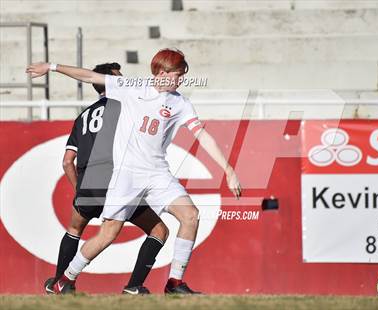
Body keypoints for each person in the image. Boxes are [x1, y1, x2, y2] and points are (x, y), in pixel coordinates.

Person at [26, 49, 242, 294]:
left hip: (158, 173)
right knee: (109, 233)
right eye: (179, 75)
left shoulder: (180, 102)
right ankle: (66, 279)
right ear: (163, 73)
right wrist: (52, 67)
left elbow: (202, 135)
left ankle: (174, 283)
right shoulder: (131, 87)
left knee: (190, 215)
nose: (181, 79)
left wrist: (229, 170)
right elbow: (89, 76)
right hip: (127, 174)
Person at [44, 62, 168, 295]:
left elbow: (67, 161)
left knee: (74, 229)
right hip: (117, 180)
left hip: (88, 182)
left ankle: (60, 283)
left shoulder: (83, 116)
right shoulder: (126, 107)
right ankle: (133, 287)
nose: (125, 81)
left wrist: (79, 189)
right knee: (158, 230)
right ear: (111, 81)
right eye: (120, 78)